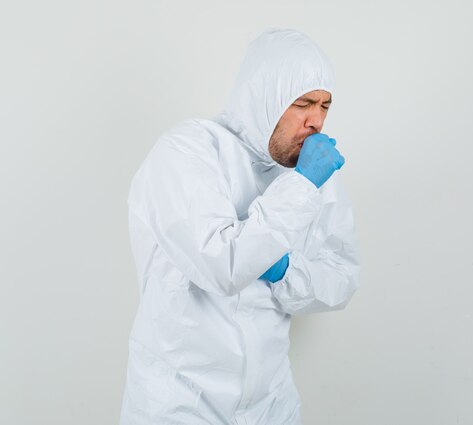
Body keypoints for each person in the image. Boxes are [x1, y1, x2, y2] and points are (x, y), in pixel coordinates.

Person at [120, 28, 360, 425]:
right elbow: (224, 265)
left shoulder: (312, 175)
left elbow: (342, 278)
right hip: (181, 404)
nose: (316, 121)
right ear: (263, 96)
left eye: (324, 106)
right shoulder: (188, 152)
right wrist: (301, 187)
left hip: (271, 404)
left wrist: (286, 272)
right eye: (302, 103)